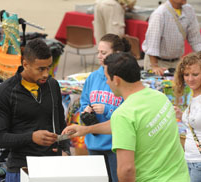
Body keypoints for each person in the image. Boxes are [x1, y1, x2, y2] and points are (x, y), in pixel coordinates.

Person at [63, 52, 190, 182]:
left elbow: (126, 169)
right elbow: (131, 125)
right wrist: (86, 130)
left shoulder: (123, 114)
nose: (106, 81)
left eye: (107, 78)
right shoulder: (160, 97)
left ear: (116, 80)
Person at [0, 38, 70, 182]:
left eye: (48, 67)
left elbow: (60, 124)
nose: (46, 74)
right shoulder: (4, 92)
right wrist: (31, 137)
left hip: (54, 167)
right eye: (41, 69)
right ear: (25, 64)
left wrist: (65, 149)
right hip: (21, 169)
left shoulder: (52, 85)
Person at [80, 33, 130, 182]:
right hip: (94, 143)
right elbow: (83, 102)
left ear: (116, 54)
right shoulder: (93, 77)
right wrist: (85, 110)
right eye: (98, 52)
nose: (99, 56)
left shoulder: (124, 79)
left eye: (104, 53)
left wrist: (107, 109)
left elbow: (129, 112)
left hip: (116, 146)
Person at [142, 0, 201, 76]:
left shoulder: (189, 10)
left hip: (177, 62)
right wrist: (155, 66)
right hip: (158, 62)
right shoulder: (159, 13)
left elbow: (195, 39)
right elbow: (152, 43)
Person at [174, 52, 201, 182]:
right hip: (189, 159)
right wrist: (181, 114)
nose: (190, 79)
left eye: (195, 74)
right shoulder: (193, 95)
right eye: (186, 74)